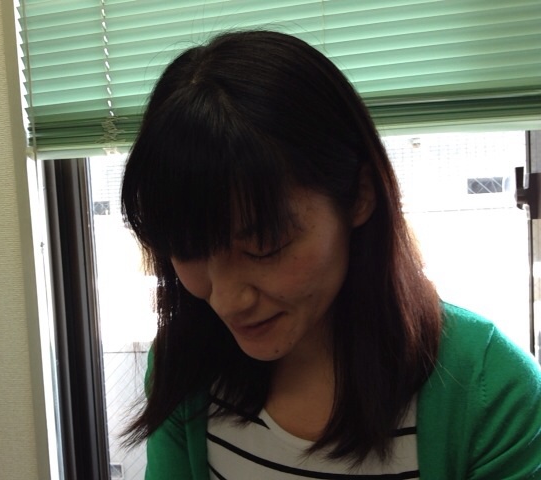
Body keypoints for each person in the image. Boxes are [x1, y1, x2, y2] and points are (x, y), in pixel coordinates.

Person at [120, 30, 541, 479]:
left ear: (358, 196)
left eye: (264, 245)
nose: (227, 299)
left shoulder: (491, 389)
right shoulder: (182, 367)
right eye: (188, 249)